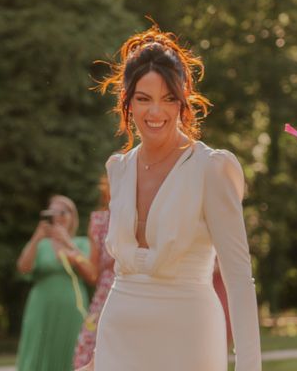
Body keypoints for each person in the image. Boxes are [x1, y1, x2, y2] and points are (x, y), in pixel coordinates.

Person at [86, 27, 262, 370]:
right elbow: (123, 275)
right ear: (127, 100)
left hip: (188, 339)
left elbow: (239, 279)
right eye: (144, 98)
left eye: (169, 98)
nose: (156, 112)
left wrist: (249, 367)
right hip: (117, 340)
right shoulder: (119, 169)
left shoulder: (210, 168)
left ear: (184, 100)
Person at [16, 195, 95, 371]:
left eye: (63, 212)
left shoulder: (81, 242)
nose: (58, 216)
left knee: (72, 348)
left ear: (72, 217)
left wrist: (67, 242)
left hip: (72, 308)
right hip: (41, 307)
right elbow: (23, 268)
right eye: (53, 212)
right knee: (38, 347)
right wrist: (37, 237)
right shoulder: (41, 245)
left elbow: (91, 273)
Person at [73, 177, 115, 368]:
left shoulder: (149, 213)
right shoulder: (99, 220)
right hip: (107, 289)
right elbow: (93, 274)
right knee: (90, 341)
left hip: (141, 283)